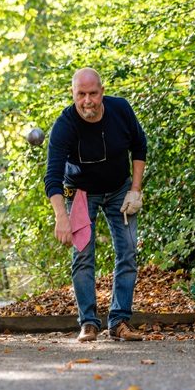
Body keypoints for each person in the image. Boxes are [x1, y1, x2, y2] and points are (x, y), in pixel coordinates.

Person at [44, 68, 147, 342]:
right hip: (81, 193)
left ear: (102, 92)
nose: (87, 101)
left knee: (128, 251)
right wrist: (61, 217)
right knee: (83, 256)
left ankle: (119, 321)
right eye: (81, 94)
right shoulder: (64, 126)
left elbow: (139, 146)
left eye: (92, 93)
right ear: (73, 94)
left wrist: (135, 190)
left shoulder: (120, 109)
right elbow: (52, 177)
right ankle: (88, 323)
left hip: (120, 189)